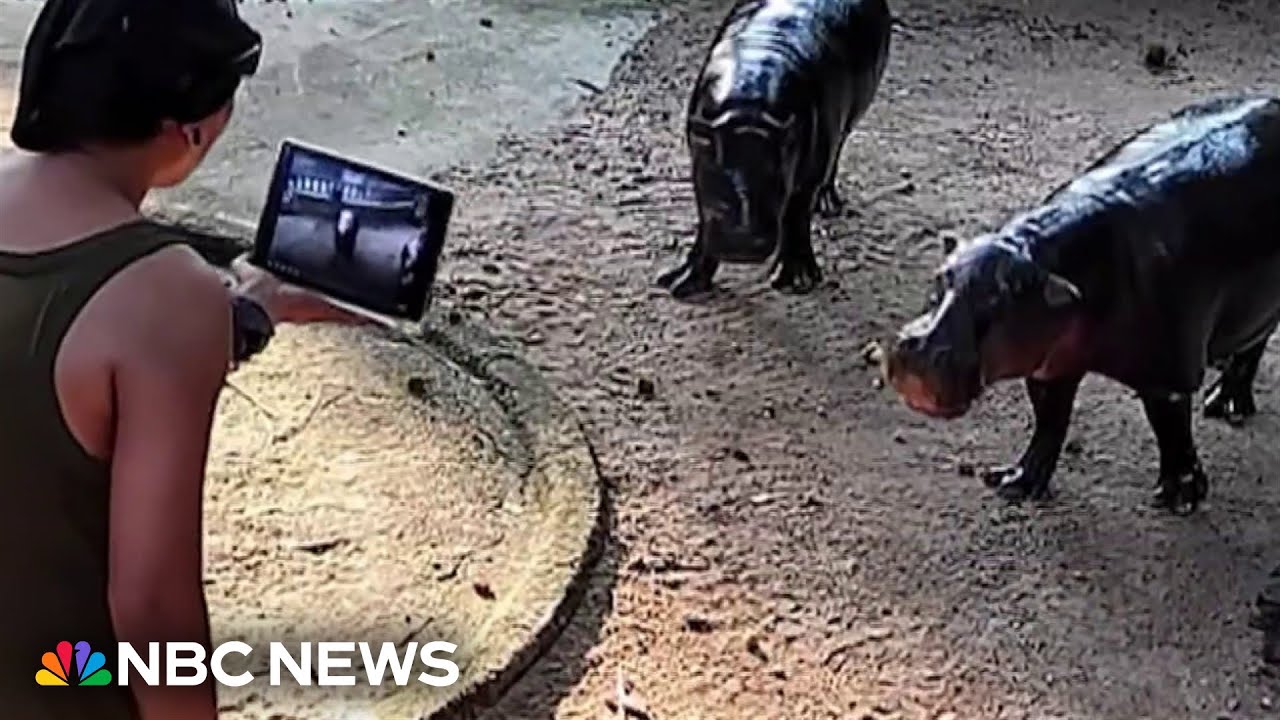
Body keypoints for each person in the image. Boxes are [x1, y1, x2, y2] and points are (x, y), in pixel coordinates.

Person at [0, 1, 363, 718]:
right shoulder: (167, 296)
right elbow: (151, 607)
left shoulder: (164, 300)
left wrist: (246, 312)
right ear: (188, 126)